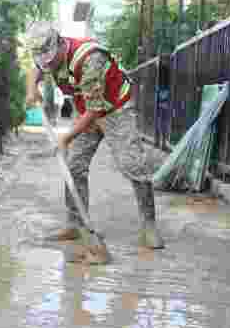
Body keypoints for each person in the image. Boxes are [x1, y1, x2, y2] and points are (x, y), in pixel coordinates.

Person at [25, 21, 165, 250]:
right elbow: (37, 68)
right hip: (87, 110)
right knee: (74, 166)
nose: (47, 64)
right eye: (43, 61)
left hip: (116, 109)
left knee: (132, 163)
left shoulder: (89, 58)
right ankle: (75, 224)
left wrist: (66, 138)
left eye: (50, 60)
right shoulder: (46, 56)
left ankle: (149, 225)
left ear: (59, 44)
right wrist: (32, 89)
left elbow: (95, 111)